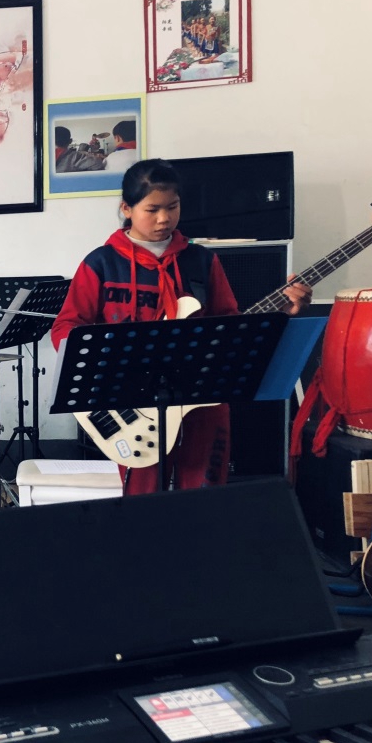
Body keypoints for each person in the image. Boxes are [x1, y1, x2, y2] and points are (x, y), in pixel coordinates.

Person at [50, 159, 311, 494]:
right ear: (127, 209)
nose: (164, 218)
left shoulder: (202, 260)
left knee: (205, 497)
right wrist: (104, 365)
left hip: (203, 398)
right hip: (133, 402)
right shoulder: (101, 263)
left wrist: (282, 313)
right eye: (152, 209)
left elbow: (231, 323)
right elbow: (67, 327)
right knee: (143, 502)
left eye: (172, 207)